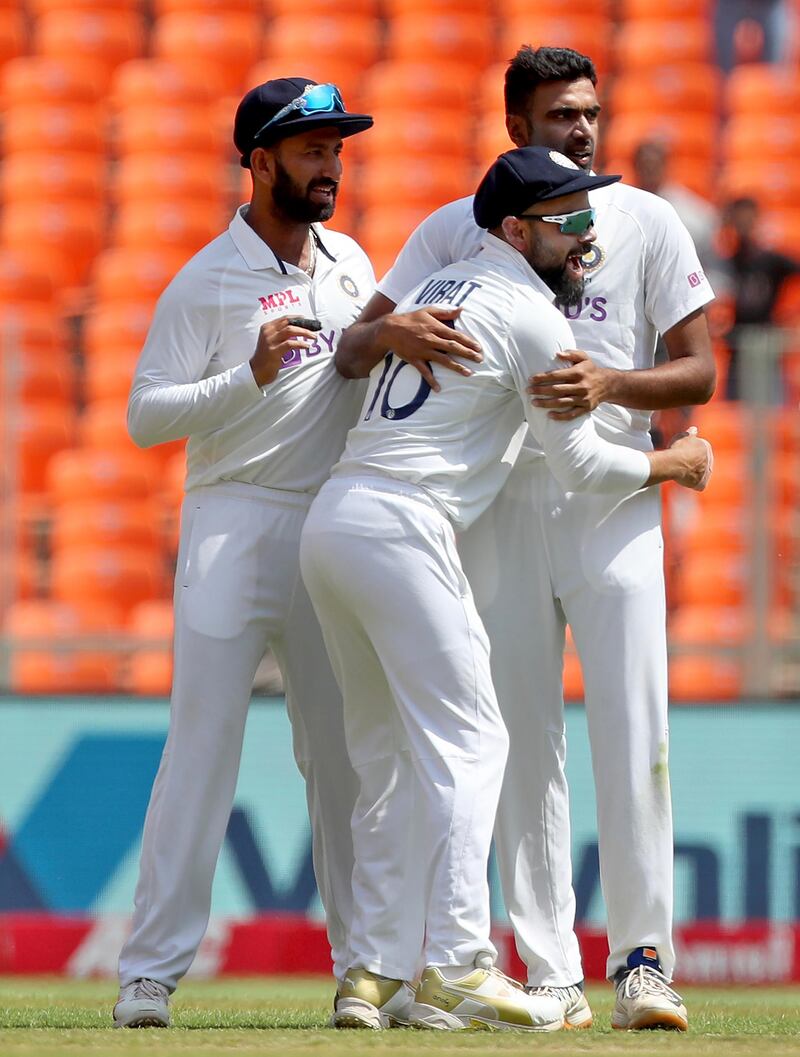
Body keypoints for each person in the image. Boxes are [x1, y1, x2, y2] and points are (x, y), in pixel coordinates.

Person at [335, 46, 716, 1032]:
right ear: (515, 128)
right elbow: (358, 343)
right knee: (521, 746)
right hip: (503, 503)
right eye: (558, 115)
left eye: (589, 112)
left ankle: (643, 960)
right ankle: (548, 964)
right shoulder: (453, 229)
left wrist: (610, 388)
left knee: (635, 733)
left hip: (611, 501)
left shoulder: (643, 219)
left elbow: (697, 373)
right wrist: (398, 333)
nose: (580, 129)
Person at [112, 77, 380, 1029]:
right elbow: (146, 415)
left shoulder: (351, 262)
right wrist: (250, 373)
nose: (329, 165)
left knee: (341, 755)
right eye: (310, 149)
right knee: (202, 747)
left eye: (335, 149)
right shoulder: (205, 280)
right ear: (258, 161)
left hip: (327, 521)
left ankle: (365, 968)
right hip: (232, 520)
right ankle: (148, 972)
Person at [720, 195, 799, 399]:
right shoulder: (727, 261)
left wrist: (789, 316)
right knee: (735, 410)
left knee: (770, 404)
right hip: (736, 343)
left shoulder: (771, 260)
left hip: (766, 341)